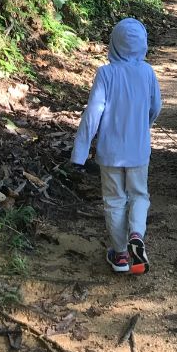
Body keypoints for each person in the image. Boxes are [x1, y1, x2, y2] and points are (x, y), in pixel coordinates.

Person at [70, 17, 162, 274]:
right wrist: (144, 125)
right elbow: (156, 107)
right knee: (139, 195)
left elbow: (92, 115)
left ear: (114, 43)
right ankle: (136, 233)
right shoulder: (147, 72)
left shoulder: (106, 73)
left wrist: (79, 153)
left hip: (109, 153)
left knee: (114, 200)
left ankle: (120, 256)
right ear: (142, 44)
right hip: (138, 151)